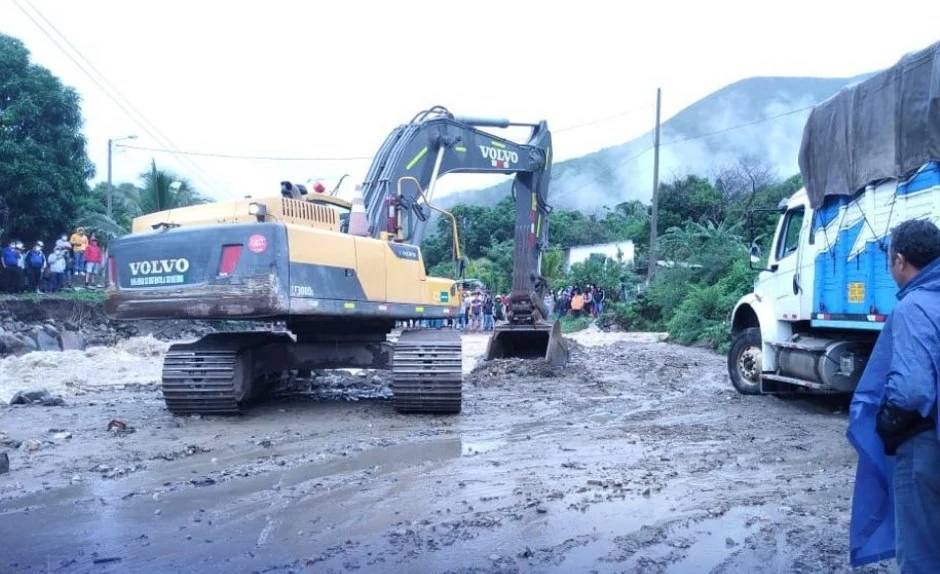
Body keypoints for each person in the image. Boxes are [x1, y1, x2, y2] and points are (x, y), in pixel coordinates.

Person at [847, 218, 940, 572]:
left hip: (925, 445)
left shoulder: (913, 307)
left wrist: (887, 422)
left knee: (921, 551)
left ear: (900, 260)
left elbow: (913, 389)